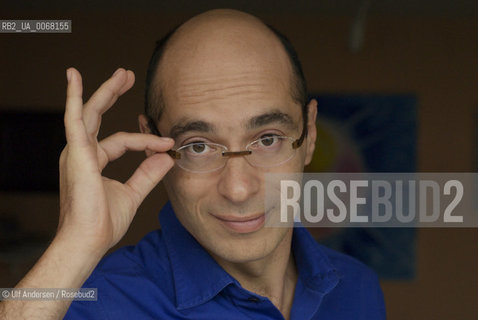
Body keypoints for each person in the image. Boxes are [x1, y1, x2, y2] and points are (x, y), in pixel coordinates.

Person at [0, 9, 385, 320]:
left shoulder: (359, 289)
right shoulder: (93, 303)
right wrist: (75, 245)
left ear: (310, 134)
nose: (238, 189)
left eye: (268, 139)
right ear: (153, 143)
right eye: (198, 146)